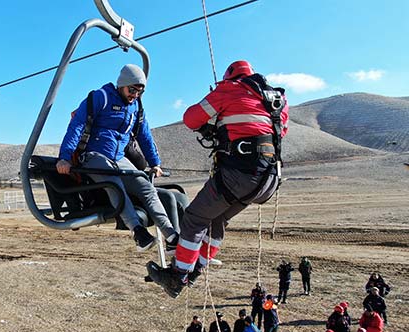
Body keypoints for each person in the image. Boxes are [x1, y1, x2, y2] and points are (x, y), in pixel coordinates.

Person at [146, 60, 289, 298]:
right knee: (217, 220)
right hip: (269, 179)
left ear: (229, 76)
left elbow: (191, 118)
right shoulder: (277, 100)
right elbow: (277, 131)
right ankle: (195, 271)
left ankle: (177, 277)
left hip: (239, 174)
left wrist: (216, 121)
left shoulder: (229, 89)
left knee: (194, 218)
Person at [56, 64, 179, 252]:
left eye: (140, 91)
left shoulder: (136, 108)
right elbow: (77, 126)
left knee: (145, 185)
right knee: (114, 184)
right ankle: (138, 232)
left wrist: (155, 163)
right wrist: (64, 157)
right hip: (94, 156)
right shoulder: (100, 98)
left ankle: (170, 234)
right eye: (132, 90)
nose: (135, 95)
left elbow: (144, 135)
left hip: (119, 158)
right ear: (122, 85)